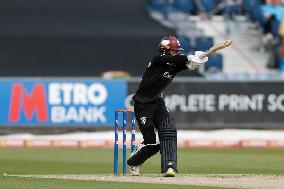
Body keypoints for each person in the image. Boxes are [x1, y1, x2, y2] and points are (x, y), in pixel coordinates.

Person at [127, 36, 208, 177]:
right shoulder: (158, 59)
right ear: (165, 50)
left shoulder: (174, 62)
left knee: (169, 130)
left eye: (177, 51)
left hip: (157, 102)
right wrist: (190, 57)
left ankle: (169, 166)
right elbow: (178, 60)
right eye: (174, 51)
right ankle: (134, 161)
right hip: (143, 103)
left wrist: (198, 60)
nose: (176, 53)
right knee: (151, 143)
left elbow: (187, 65)